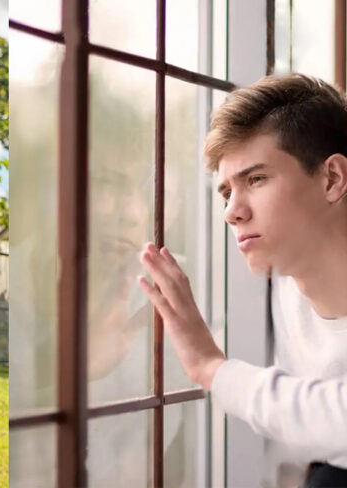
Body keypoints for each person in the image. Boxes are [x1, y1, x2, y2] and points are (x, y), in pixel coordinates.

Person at [138, 73, 347, 487]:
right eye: (225, 193)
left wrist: (211, 367)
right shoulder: (284, 290)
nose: (232, 212)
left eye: (256, 179)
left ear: (332, 179)